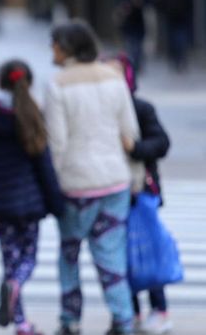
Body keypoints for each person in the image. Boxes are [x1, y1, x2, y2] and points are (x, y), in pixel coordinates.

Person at [45, 20, 140, 335]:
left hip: (76, 184)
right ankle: (123, 319)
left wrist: (52, 184)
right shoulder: (114, 78)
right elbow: (130, 133)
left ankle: (70, 320)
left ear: (67, 48)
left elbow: (56, 143)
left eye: (55, 44)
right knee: (111, 255)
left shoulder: (58, 84)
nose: (52, 50)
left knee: (69, 255)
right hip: (114, 180)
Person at [0, 60, 64, 335]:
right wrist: (55, 202)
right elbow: (44, 164)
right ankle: (17, 288)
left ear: (0, 82)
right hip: (30, 203)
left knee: (10, 261)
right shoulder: (32, 114)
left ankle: (21, 322)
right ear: (28, 83)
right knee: (28, 258)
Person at [109, 54, 172, 335]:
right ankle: (131, 311)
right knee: (119, 256)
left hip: (142, 190)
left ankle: (159, 309)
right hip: (112, 189)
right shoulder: (102, 109)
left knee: (148, 251)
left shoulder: (141, 108)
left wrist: (134, 147)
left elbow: (161, 143)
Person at [113, 0, 152, 73]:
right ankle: (132, 66)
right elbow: (117, 5)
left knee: (138, 48)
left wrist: (140, 2)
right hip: (128, 26)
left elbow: (150, 2)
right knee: (130, 48)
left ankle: (138, 66)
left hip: (139, 26)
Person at [157, 0, 193, 72]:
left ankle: (181, 60)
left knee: (181, 42)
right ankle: (175, 60)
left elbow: (190, 6)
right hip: (171, 22)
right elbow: (160, 5)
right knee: (172, 43)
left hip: (182, 22)